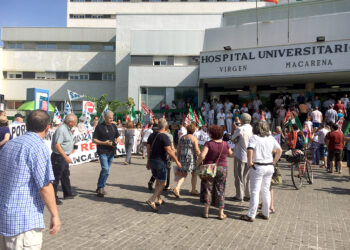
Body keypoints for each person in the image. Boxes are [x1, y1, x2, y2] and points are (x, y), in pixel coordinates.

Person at [0, 110, 61, 248]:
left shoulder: (10, 144)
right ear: (48, 127)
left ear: (26, 124)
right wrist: (55, 215)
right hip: (23, 223)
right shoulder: (38, 147)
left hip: (5, 216)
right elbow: (45, 186)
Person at [240, 121, 282, 222]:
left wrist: (249, 162)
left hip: (258, 166)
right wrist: (274, 161)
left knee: (255, 191)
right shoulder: (271, 138)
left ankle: (251, 215)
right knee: (265, 190)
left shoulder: (254, 138)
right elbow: (280, 150)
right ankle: (265, 212)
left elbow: (250, 150)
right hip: (269, 166)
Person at [197, 125, 233, 219]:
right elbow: (231, 154)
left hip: (209, 168)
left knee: (207, 188)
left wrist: (197, 164)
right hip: (222, 168)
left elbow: (202, 155)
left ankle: (206, 212)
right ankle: (221, 213)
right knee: (220, 188)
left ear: (211, 134)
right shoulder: (225, 144)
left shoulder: (208, 144)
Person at [145, 119, 181, 212]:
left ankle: (159, 199)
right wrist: (177, 160)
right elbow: (169, 150)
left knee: (158, 180)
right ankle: (152, 199)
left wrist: (148, 161)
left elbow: (148, 148)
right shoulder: (164, 137)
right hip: (160, 161)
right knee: (163, 183)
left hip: (152, 160)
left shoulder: (152, 135)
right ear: (165, 127)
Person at [93, 111, 121, 197]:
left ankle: (100, 186)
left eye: (112, 118)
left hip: (111, 151)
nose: (111, 119)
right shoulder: (99, 127)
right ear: (105, 117)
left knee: (107, 171)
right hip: (102, 151)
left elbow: (118, 136)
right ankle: (101, 187)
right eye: (109, 118)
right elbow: (94, 140)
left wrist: (117, 141)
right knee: (105, 169)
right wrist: (104, 143)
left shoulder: (114, 126)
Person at [51, 113, 77, 205]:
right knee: (56, 177)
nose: (76, 123)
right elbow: (57, 145)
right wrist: (65, 157)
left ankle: (67, 193)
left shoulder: (67, 129)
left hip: (63, 156)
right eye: (75, 122)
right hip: (59, 157)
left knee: (65, 175)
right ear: (70, 122)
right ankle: (53, 197)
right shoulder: (61, 129)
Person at [173, 124, 201, 198]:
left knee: (183, 173)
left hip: (182, 157)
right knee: (194, 173)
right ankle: (192, 190)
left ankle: (178, 187)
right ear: (194, 131)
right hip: (191, 158)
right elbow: (197, 150)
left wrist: (178, 159)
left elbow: (178, 149)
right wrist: (201, 156)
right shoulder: (194, 138)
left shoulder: (182, 138)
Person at [231, 113, 253, 202]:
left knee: (239, 176)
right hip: (250, 155)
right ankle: (248, 195)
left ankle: (239, 195)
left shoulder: (240, 129)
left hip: (240, 154)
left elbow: (233, 138)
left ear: (242, 120)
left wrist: (234, 129)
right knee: (247, 177)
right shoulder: (252, 128)